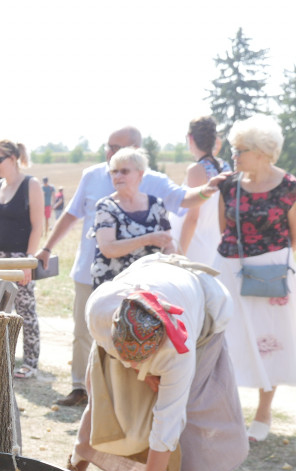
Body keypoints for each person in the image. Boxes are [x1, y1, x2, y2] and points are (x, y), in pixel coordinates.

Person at [68, 254, 248, 471]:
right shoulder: (101, 307)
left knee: (188, 412)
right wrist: (136, 368)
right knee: (103, 393)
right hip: (151, 283)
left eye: (145, 359)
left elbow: (166, 432)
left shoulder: (179, 352)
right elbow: (110, 348)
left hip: (204, 310)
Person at [37, 126, 222, 408]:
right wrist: (48, 247)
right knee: (86, 333)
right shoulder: (93, 176)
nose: (110, 154)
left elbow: (185, 200)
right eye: (108, 148)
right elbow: (71, 215)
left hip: (141, 280)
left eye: (115, 147)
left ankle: (124, 400)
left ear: (137, 154)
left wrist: (208, 190)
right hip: (94, 270)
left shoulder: (155, 183)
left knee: (132, 336)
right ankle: (81, 389)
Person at [213, 114, 296, 443]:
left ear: (262, 152)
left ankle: (263, 413)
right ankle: (225, 413)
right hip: (229, 270)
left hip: (270, 276)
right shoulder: (227, 184)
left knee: (268, 342)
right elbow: (224, 229)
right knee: (225, 341)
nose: (234, 156)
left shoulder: (289, 187)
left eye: (240, 150)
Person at [0, 140, 44, 379]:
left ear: (13, 158)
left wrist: (27, 260)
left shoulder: (30, 185)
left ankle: (30, 363)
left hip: (20, 257)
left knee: (25, 310)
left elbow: (38, 226)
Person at [90, 147, 174, 286]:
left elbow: (169, 246)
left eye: (124, 171)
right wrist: (148, 239)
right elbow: (108, 249)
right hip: (114, 287)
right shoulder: (106, 206)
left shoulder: (156, 205)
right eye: (114, 171)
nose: (117, 176)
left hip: (150, 285)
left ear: (140, 174)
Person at [169, 116, 231, 265]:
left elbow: (193, 217)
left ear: (190, 139)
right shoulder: (224, 166)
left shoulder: (197, 170)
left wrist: (179, 255)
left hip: (194, 246)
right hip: (213, 242)